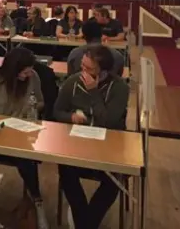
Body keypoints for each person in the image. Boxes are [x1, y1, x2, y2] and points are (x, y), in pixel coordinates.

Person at [54, 44, 130, 229]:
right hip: (78, 142)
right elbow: (56, 111)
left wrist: (94, 92)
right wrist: (70, 117)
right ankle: (84, 219)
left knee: (114, 181)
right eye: (82, 66)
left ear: (104, 71)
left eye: (90, 69)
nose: (84, 71)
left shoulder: (119, 88)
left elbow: (109, 123)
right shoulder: (72, 82)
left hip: (109, 144)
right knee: (65, 168)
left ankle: (85, 223)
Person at [0, 47, 47, 228]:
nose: (28, 73)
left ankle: (37, 201)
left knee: (26, 160)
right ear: (12, 70)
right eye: (24, 70)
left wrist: (33, 107)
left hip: (23, 132)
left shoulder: (33, 77)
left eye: (30, 69)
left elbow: (41, 101)